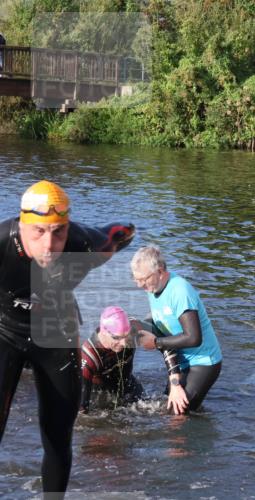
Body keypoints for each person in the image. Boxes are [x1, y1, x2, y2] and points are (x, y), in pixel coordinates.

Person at [0, 180, 135, 498]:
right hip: (5, 333)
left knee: (58, 436)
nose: (49, 244)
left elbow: (120, 233)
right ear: (22, 225)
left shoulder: (84, 243)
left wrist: (130, 231)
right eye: (38, 232)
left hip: (57, 336)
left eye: (58, 231)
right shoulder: (1, 243)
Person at [131, 245, 222, 415]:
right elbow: (162, 319)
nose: (139, 285)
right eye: (136, 279)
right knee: (167, 407)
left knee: (176, 415)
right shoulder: (154, 288)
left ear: (159, 271)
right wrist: (140, 324)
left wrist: (156, 342)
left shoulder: (179, 291)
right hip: (181, 358)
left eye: (143, 279)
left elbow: (194, 338)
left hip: (203, 362)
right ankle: (198, 413)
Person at [81, 305, 182, 413]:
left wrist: (175, 385)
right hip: (101, 396)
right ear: (103, 332)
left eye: (126, 336)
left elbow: (166, 344)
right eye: (117, 338)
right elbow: (81, 409)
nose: (124, 343)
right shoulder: (89, 355)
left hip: (129, 386)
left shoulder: (136, 329)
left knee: (164, 410)